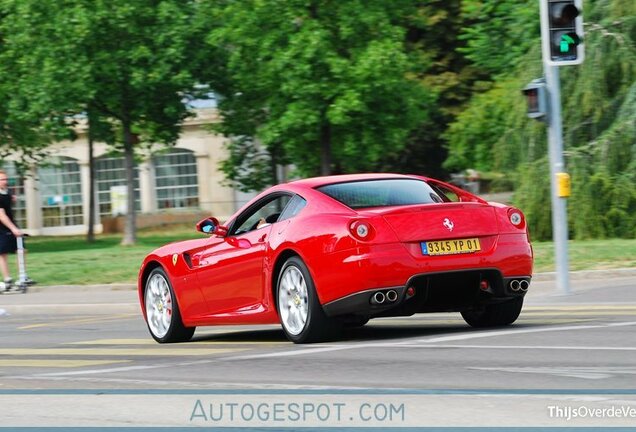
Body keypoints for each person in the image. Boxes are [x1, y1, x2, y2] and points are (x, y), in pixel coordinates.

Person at [0, 170, 32, 291]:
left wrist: (12, 198)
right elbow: (1, 215)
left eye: (5, 179)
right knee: (3, 253)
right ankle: (7, 279)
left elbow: (9, 199)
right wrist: (13, 228)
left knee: (21, 249)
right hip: (2, 227)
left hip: (11, 223)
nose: (5, 182)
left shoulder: (6, 191)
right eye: (2, 180)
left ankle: (23, 276)